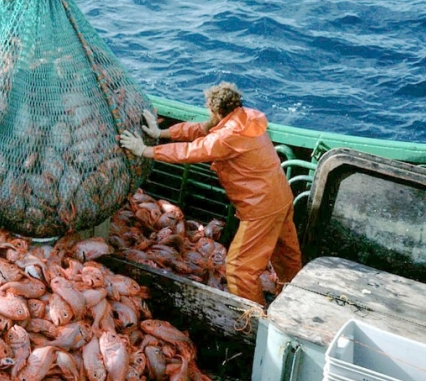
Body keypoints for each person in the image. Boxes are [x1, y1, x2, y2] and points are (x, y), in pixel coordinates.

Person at [119, 82, 302, 305]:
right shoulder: (246, 117)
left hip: (260, 208)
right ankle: (295, 299)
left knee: (237, 269)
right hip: (282, 197)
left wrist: (144, 150)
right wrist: (162, 132)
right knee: (286, 255)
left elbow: (190, 151)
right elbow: (203, 129)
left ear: (216, 111)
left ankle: (257, 322)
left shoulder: (226, 137)